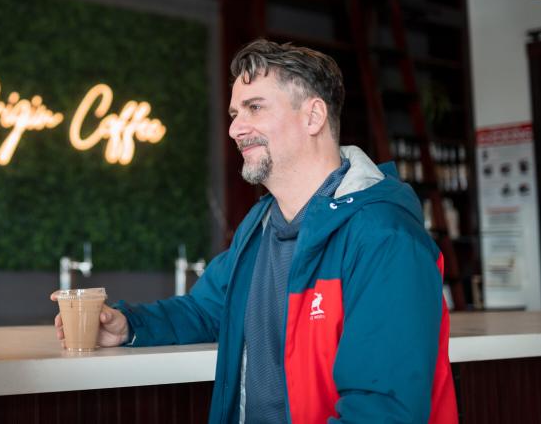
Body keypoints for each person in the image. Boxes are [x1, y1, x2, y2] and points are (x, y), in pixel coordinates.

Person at [53, 39, 458, 423]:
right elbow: (207, 309)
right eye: (234, 114)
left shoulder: (383, 238)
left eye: (255, 108)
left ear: (313, 116)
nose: (235, 129)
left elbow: (383, 411)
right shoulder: (262, 227)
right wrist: (129, 326)